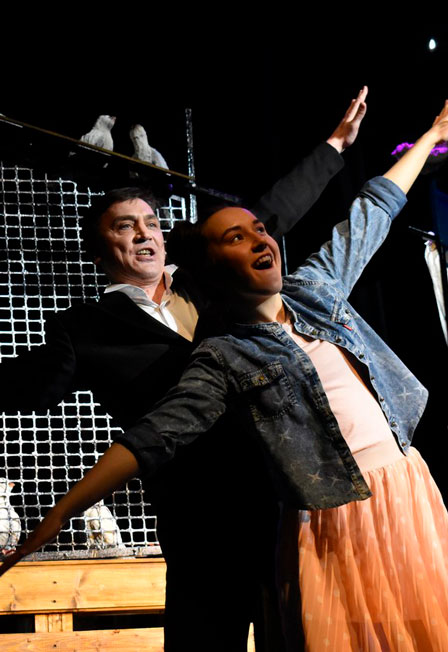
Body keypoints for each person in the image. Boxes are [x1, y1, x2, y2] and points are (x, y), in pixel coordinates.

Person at [3, 98, 448, 651]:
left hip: (288, 496)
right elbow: (144, 431)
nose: (144, 234)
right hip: (205, 522)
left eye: (152, 223)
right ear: (100, 250)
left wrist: (336, 146)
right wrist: (56, 516)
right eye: (125, 227)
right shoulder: (91, 329)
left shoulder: (223, 287)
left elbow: (289, 217)